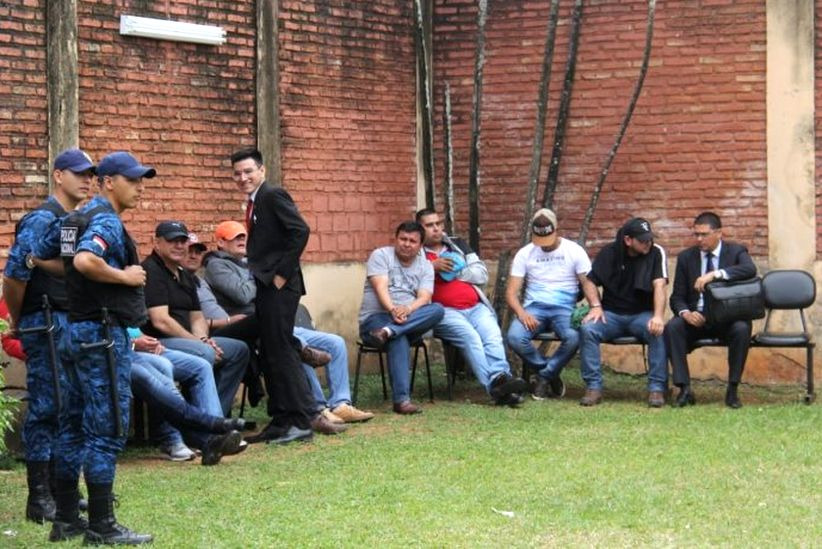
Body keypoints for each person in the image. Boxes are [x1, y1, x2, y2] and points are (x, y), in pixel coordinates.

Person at [54, 151, 154, 544]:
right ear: (108, 182)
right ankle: (101, 524)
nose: (140, 187)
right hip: (101, 333)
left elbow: (49, 258)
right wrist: (126, 277)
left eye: (142, 180)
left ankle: (66, 518)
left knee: (73, 426)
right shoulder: (106, 220)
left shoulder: (74, 217)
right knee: (107, 430)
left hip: (75, 330)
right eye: (133, 180)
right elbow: (84, 261)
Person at [197, 222, 373, 423]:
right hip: (254, 329)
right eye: (235, 238)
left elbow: (275, 289)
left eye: (243, 236)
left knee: (335, 343)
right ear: (221, 242)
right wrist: (261, 275)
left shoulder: (250, 263)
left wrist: (262, 274)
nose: (242, 241)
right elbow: (243, 294)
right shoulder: (217, 265)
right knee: (294, 348)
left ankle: (341, 404)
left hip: (278, 321)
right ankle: (317, 408)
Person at [2, 149, 94, 525]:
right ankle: (39, 497)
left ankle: (61, 489)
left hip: (66, 320)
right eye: (79, 173)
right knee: (47, 406)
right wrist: (21, 319)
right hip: (44, 320)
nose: (87, 180)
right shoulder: (42, 218)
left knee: (68, 405)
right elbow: (14, 275)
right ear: (58, 175)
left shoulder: (71, 220)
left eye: (90, 174)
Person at [232, 147, 344, 442]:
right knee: (272, 349)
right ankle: (282, 419)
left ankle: (300, 420)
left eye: (248, 171)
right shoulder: (256, 201)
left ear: (262, 170)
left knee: (280, 349)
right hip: (266, 284)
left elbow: (300, 231)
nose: (243, 178)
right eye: (237, 174)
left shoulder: (272, 195)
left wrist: (281, 274)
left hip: (280, 285)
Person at [415, 208, 527, 406]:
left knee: (492, 336)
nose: (436, 229)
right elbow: (408, 278)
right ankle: (496, 387)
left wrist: (454, 271)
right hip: (444, 311)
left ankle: (501, 378)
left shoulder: (457, 244)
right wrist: (432, 268)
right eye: (430, 225)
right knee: (471, 338)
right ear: (419, 229)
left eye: (438, 224)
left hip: (476, 307)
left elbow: (481, 274)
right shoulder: (415, 252)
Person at [141, 220, 248, 417]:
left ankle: (213, 416)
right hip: (158, 342)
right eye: (172, 241)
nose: (179, 246)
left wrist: (203, 339)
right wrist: (199, 343)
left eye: (183, 241)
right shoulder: (151, 270)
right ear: (157, 243)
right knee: (204, 353)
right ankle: (203, 420)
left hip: (188, 340)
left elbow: (197, 317)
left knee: (238, 350)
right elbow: (161, 321)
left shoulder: (184, 274)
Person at [664, 211, 757, 408]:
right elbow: (677, 297)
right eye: (696, 234)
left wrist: (715, 274)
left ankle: (732, 390)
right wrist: (686, 313)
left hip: (726, 318)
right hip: (696, 319)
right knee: (673, 327)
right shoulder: (686, 258)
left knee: (742, 328)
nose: (699, 239)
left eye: (704, 234)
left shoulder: (736, 252)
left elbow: (750, 270)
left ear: (719, 233)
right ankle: (684, 388)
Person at [506, 208, 599, 400]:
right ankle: (551, 374)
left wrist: (595, 306)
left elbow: (587, 282)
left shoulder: (574, 251)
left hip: (564, 307)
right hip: (534, 307)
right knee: (515, 337)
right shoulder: (525, 253)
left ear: (556, 230)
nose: (544, 246)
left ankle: (544, 377)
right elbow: (511, 292)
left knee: (574, 337)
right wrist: (522, 313)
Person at [579, 218, 669, 407]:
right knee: (588, 329)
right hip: (611, 315)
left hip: (642, 315)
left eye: (649, 239)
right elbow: (589, 281)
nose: (648, 243)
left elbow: (660, 285)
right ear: (628, 240)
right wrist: (595, 306)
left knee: (658, 331)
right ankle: (593, 387)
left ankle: (657, 389)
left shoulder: (656, 252)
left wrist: (658, 316)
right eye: (643, 240)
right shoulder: (609, 252)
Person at [358, 221, 445, 414]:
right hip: (375, 321)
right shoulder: (381, 255)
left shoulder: (426, 266)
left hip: (408, 320)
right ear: (395, 239)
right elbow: (380, 287)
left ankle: (388, 332)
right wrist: (392, 309)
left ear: (420, 245)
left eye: (412, 241)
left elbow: (424, 297)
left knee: (437, 309)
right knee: (399, 337)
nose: (406, 244)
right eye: (403, 239)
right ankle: (401, 401)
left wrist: (407, 309)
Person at [129, 332, 244, 466]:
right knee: (155, 375)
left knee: (200, 366)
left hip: (129, 351)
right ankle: (185, 437)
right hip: (115, 355)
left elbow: (130, 329)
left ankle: (211, 436)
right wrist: (133, 344)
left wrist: (151, 341)